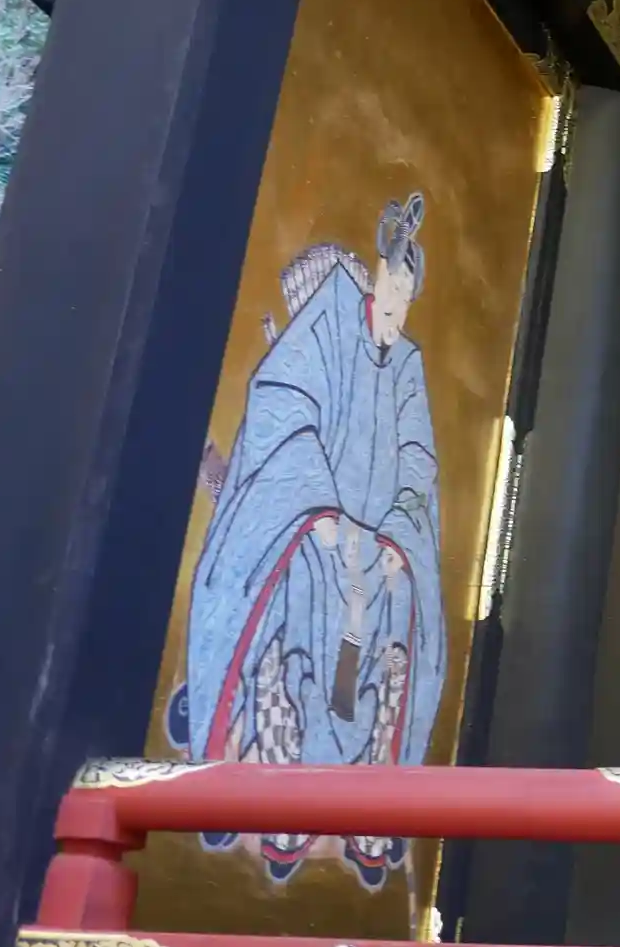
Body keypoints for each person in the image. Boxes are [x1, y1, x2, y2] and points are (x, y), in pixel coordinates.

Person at [179, 195, 444, 887]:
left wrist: (397, 535)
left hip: (378, 544)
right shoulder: (327, 323)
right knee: (299, 613)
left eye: (407, 300)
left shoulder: (407, 362)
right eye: (391, 294)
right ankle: (275, 803)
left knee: (397, 630)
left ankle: (365, 814)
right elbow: (283, 406)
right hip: (305, 524)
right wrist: (319, 511)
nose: (397, 312)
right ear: (376, 282)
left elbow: (418, 458)